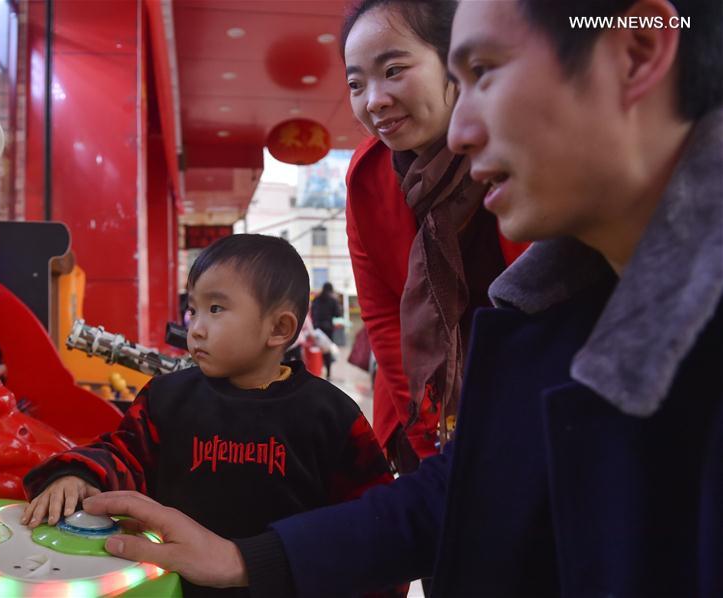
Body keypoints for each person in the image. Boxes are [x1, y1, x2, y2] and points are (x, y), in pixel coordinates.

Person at [77, 0, 723, 595]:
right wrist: (248, 557)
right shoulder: (549, 318)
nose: (463, 129)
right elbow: (455, 492)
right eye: (355, 82)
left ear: (636, 53)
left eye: (484, 71)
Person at [19, 234, 394, 596]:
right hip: (170, 588)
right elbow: (125, 453)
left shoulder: (329, 415)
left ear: (278, 328)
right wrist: (79, 474)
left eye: (215, 309)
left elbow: (370, 524)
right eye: (192, 309)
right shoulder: (168, 398)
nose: (194, 329)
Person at [342, 0, 523, 471]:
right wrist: (433, 438)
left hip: (534, 401)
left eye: (394, 70)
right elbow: (384, 316)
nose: (373, 100)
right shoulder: (368, 175)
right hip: (426, 417)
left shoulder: (519, 146)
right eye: (356, 84)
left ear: (455, 61)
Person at [309, 282, 342, 379]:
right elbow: (338, 314)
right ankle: (328, 373)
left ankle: (317, 370)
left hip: (317, 329)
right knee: (327, 350)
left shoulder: (316, 299)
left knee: (316, 350)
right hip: (328, 329)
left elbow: (312, 313)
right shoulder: (332, 300)